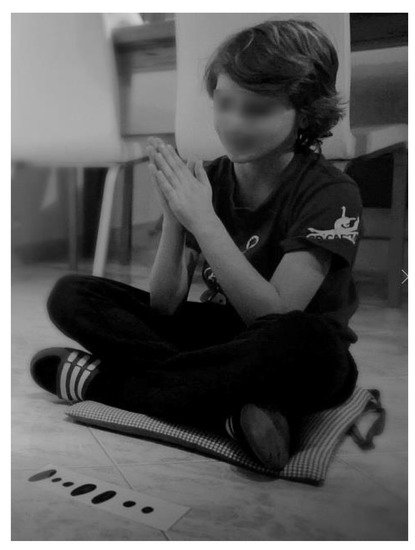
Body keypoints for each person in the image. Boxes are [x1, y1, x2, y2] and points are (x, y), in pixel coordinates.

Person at [30, 19, 362, 471]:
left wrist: (203, 221)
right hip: (222, 341)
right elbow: (165, 306)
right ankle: (224, 406)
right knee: (72, 294)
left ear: (305, 113)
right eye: (224, 103)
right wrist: (175, 218)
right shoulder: (210, 178)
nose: (234, 122)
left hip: (291, 353)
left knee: (307, 340)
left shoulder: (330, 192)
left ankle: (108, 387)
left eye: (257, 110)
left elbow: (274, 315)